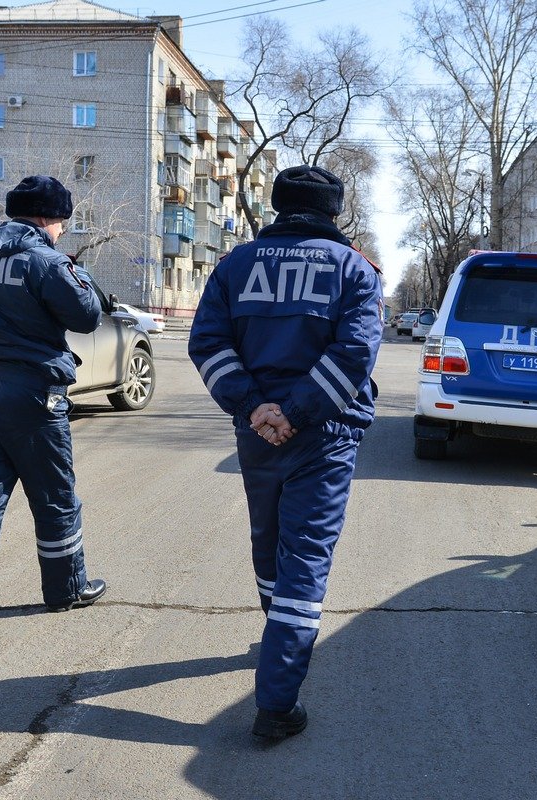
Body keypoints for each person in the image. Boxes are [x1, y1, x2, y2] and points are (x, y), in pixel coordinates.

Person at [188, 165, 383, 739]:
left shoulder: (235, 265)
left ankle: (277, 637)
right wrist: (296, 413)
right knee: (306, 560)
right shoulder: (353, 269)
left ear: (276, 207)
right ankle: (276, 705)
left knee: (269, 542)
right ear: (333, 212)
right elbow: (354, 356)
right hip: (324, 433)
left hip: (258, 431)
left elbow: (208, 344)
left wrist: (257, 409)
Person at [0, 175, 107, 646]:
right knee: (55, 497)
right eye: (62, 223)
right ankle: (66, 589)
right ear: (48, 218)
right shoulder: (47, 260)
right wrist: (80, 272)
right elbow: (87, 316)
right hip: (34, 394)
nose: (62, 232)